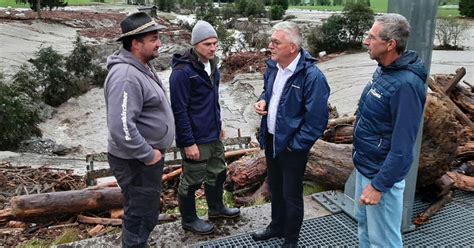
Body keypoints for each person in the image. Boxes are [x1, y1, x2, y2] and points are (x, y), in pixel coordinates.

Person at [252, 21, 330, 247]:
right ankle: (276, 226)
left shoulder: (312, 77)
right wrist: (262, 100)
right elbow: (269, 91)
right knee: (275, 187)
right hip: (272, 140)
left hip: (292, 147)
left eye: (276, 42)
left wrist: (294, 145)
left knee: (291, 194)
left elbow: (317, 121)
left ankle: (291, 240)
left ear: (292, 48)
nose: (270, 46)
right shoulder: (273, 67)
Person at [353, 13, 427, 247]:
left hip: (380, 178)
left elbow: (403, 148)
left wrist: (378, 186)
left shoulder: (406, 85)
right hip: (366, 168)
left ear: (390, 44)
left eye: (371, 37)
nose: (366, 41)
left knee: (384, 241)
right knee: (365, 230)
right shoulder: (385, 71)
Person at [104, 12, 175, 248]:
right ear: (136, 43)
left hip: (142, 160)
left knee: (144, 209)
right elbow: (120, 127)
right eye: (154, 38)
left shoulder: (141, 66)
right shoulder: (126, 76)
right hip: (136, 161)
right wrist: (148, 154)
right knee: (140, 213)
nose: (159, 44)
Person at [169, 20, 240, 235]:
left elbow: (214, 100)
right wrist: (188, 142)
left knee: (218, 172)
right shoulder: (182, 73)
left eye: (215, 44)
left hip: (212, 133)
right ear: (195, 45)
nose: (212, 48)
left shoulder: (212, 66)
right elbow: (179, 111)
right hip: (195, 138)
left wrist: (219, 125)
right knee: (192, 180)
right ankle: (189, 219)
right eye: (207, 44)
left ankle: (216, 209)